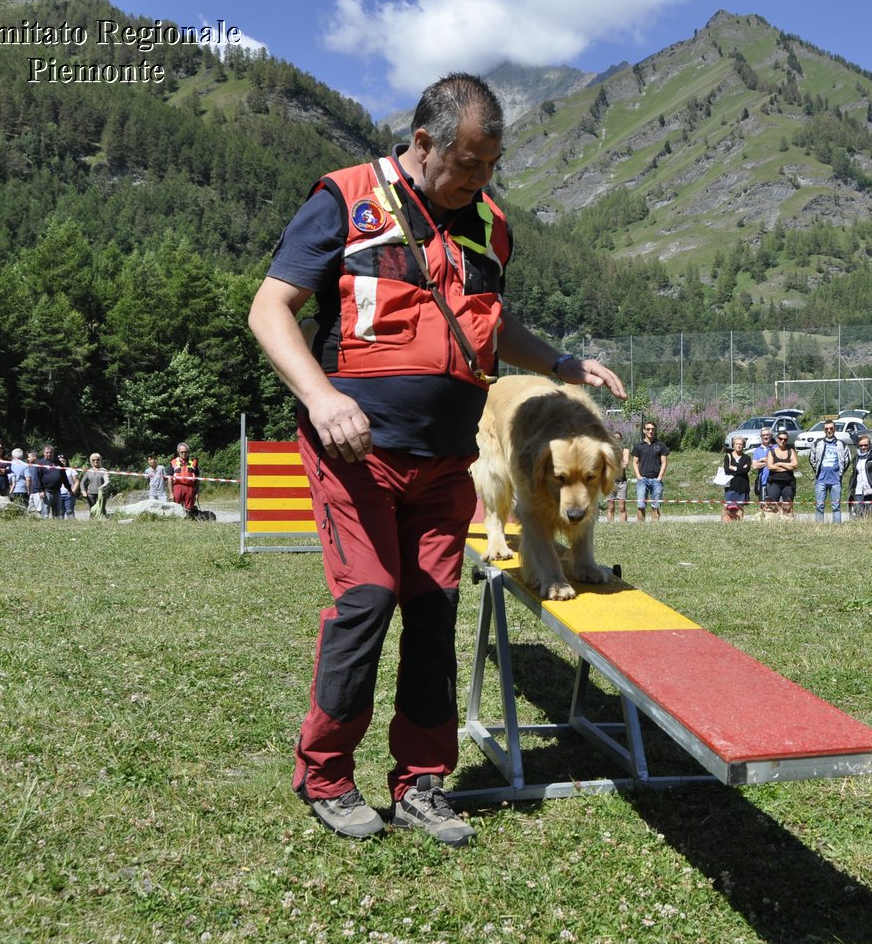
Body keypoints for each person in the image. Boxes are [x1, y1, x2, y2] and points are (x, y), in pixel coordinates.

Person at [247, 73, 626, 847]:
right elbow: (269, 308)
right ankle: (324, 773)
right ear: (423, 144)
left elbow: (487, 320)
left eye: (492, 164)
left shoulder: (489, 224)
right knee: (368, 597)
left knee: (432, 612)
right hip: (355, 452)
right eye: (468, 164)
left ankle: (421, 782)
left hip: (444, 461)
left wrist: (559, 360)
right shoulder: (346, 199)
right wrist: (322, 399)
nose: (481, 180)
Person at [809, 419, 850, 523]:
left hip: (836, 480)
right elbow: (812, 459)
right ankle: (819, 528)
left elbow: (847, 461)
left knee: (836, 507)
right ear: (824, 430)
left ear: (834, 429)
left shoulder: (842, 444)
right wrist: (818, 470)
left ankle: (837, 528)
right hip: (821, 480)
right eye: (827, 428)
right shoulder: (817, 443)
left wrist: (840, 472)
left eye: (831, 428)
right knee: (819, 506)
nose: (829, 430)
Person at [632, 421, 669, 521]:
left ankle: (654, 527)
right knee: (640, 504)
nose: (650, 431)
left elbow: (664, 462)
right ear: (644, 431)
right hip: (642, 480)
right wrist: (638, 476)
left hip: (656, 480)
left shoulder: (661, 445)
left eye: (652, 429)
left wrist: (659, 478)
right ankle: (640, 527)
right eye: (648, 429)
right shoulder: (639, 445)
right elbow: (635, 462)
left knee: (656, 505)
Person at [845, 433, 872, 517]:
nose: (863, 447)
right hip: (860, 488)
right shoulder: (857, 458)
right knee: (860, 513)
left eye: (865, 445)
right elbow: (855, 473)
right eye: (861, 445)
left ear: (869, 445)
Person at [762, 430, 798, 518]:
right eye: (781, 439)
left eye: (785, 439)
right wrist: (787, 467)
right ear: (777, 439)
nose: (783, 441)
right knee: (772, 507)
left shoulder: (791, 451)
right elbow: (770, 466)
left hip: (788, 483)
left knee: (787, 507)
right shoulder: (772, 451)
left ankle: (788, 523)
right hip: (774, 483)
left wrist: (779, 464)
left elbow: (795, 465)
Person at [719, 436, 752, 521]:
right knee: (727, 506)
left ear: (743, 446)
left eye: (741, 444)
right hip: (731, 485)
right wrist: (741, 468)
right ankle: (725, 522)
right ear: (733, 445)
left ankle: (739, 523)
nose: (739, 446)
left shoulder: (747, 458)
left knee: (740, 507)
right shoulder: (728, 456)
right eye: (737, 444)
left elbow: (746, 470)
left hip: (743, 485)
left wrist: (734, 468)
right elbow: (727, 470)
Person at [35, 445, 71, 519]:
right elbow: (37, 478)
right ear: (43, 453)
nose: (49, 454)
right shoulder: (40, 463)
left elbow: (64, 477)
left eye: (50, 452)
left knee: (57, 514)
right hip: (46, 492)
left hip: (57, 491)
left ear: (53, 453)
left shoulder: (59, 463)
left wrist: (69, 489)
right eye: (47, 452)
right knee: (45, 514)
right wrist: (40, 490)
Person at [748, 427, 776, 517]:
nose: (765, 437)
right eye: (763, 435)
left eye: (767, 435)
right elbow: (755, 466)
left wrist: (763, 461)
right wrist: (769, 461)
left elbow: (778, 461)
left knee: (774, 505)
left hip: (775, 481)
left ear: (771, 436)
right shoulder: (757, 450)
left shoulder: (776, 447)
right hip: (763, 481)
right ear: (761, 436)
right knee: (763, 505)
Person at [605, 431, 629, 522]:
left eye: (618, 439)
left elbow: (624, 465)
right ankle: (610, 526)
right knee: (610, 507)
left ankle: (623, 527)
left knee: (622, 507)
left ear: (621, 440)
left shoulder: (625, 450)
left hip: (622, 482)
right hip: (611, 482)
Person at [170, 443, 199, 515]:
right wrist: (171, 493)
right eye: (181, 452)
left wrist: (197, 492)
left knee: (189, 508)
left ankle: (188, 521)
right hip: (177, 486)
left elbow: (197, 478)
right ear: (178, 452)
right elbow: (169, 478)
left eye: (185, 452)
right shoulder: (173, 462)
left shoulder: (194, 462)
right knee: (176, 507)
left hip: (190, 488)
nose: (184, 454)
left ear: (188, 452)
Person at [79, 453, 111, 518]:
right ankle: (92, 522)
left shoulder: (104, 470)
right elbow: (82, 482)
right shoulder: (89, 471)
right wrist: (83, 490)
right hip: (90, 494)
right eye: (93, 460)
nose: (95, 461)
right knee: (92, 510)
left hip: (101, 493)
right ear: (91, 461)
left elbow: (107, 481)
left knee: (100, 509)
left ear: (100, 460)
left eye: (97, 459)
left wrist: (102, 487)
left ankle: (101, 521)